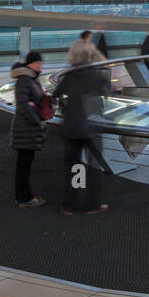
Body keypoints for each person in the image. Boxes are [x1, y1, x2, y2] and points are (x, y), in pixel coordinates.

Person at [53, 57, 110, 215]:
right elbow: (107, 93)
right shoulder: (96, 76)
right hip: (91, 127)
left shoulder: (69, 76)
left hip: (72, 127)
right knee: (94, 166)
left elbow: (56, 95)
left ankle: (71, 205)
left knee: (74, 166)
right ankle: (93, 204)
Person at [9, 51, 47, 208]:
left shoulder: (31, 79)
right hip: (25, 130)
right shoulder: (25, 80)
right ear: (30, 64)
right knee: (23, 165)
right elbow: (23, 105)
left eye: (40, 63)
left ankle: (24, 197)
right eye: (37, 63)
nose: (40, 66)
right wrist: (37, 121)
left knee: (25, 165)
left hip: (27, 129)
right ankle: (24, 198)